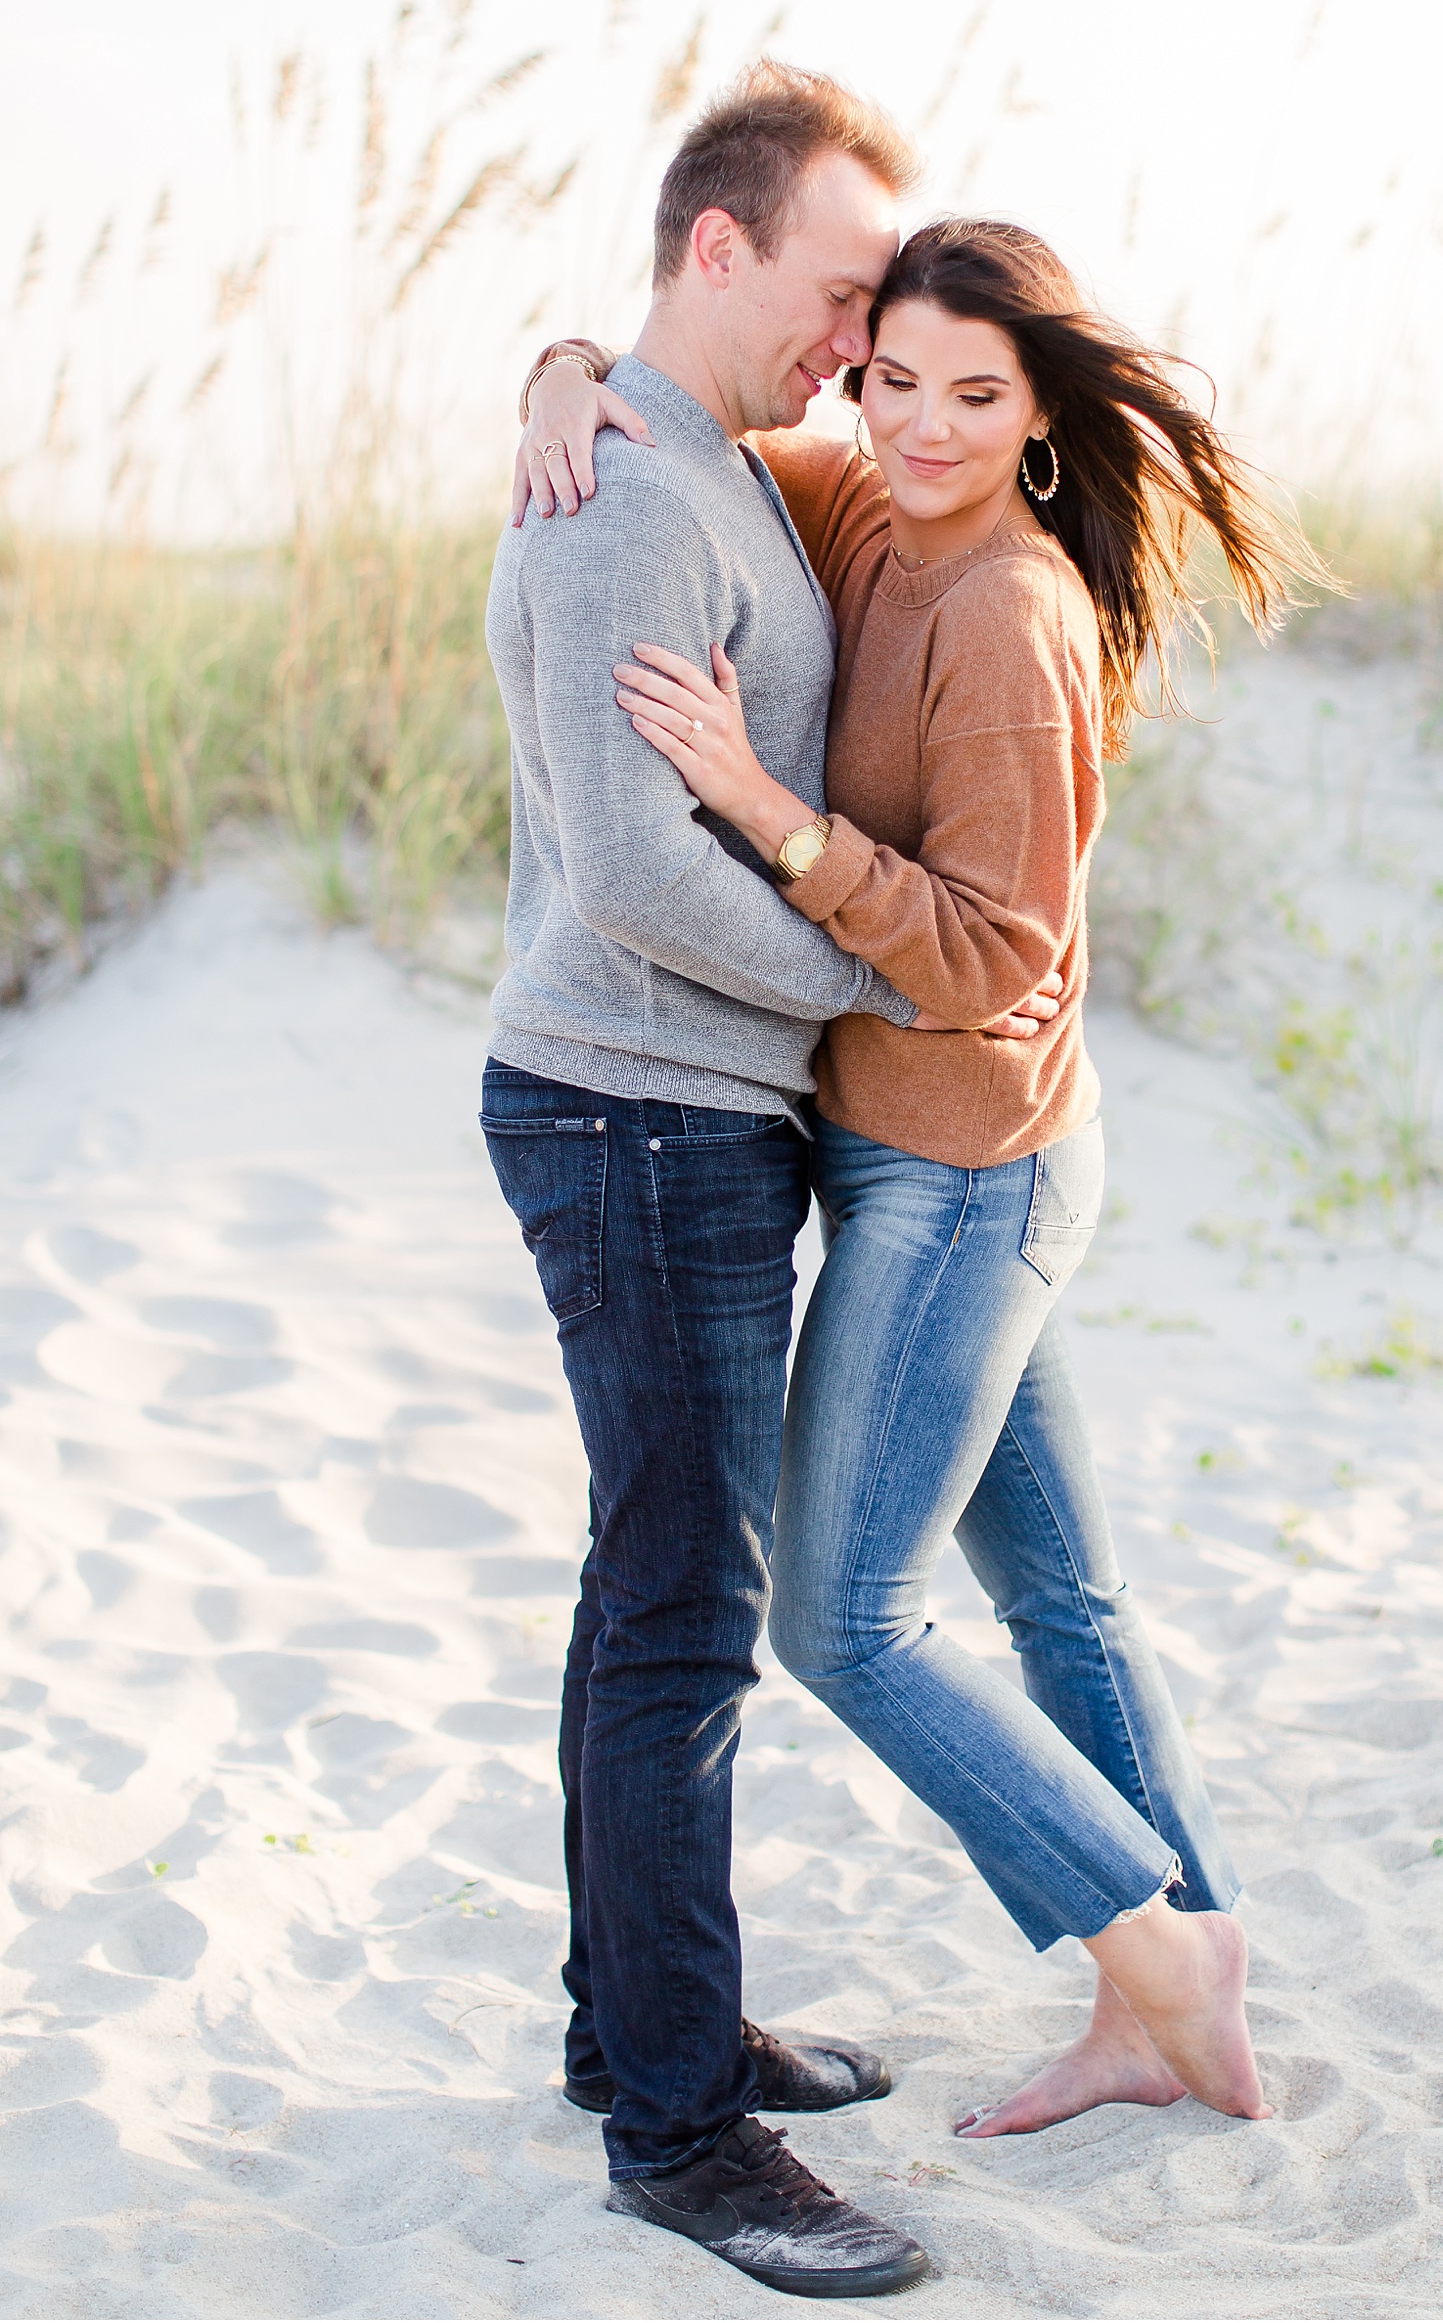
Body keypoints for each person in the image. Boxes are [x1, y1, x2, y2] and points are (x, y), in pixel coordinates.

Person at [517, 214, 1332, 2145]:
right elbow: (694, 428)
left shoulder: (1013, 615)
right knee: (1064, 1598)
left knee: (843, 1618)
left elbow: (995, 955)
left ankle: (1154, 1944)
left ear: (1041, 410)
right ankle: (1182, 1987)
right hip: (934, 1157)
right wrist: (559, 372)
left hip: (971, 1172)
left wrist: (769, 810)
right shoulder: (875, 508)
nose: (923, 423)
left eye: (977, 394)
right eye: (894, 379)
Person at [482, 62, 1065, 2301]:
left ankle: (633, 2018)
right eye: (834, 290)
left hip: (684, 1107)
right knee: (684, 1620)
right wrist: (851, 961)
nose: (855, 337)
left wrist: (557, 361)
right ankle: (679, 2128)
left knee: (648, 1595)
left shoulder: (696, 450)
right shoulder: (628, 486)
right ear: (715, 247)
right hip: (636, 1107)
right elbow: (632, 863)